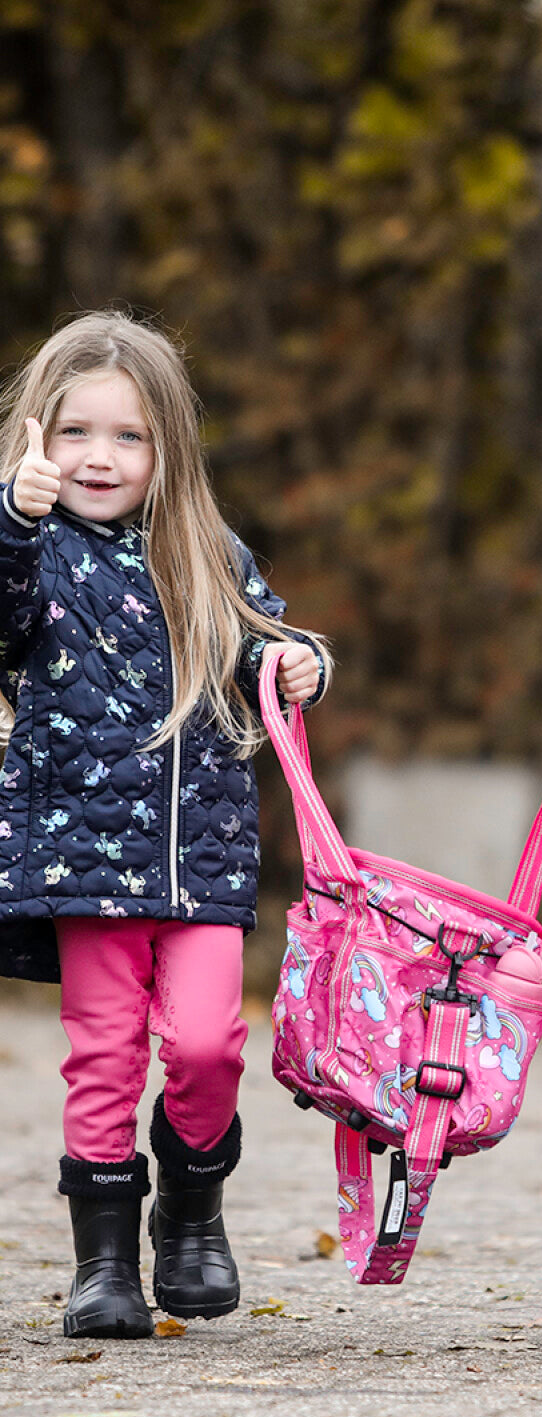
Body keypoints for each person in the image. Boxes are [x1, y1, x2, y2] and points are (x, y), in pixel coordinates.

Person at [0, 310, 331, 1339]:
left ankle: (189, 1213)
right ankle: (103, 1265)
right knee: (103, 1052)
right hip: (84, 858)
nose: (99, 457)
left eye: (128, 436)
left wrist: (300, 660)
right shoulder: (31, 550)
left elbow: (263, 645)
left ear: (167, 448)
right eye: (76, 433)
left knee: (206, 1047)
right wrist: (12, 519)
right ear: (37, 440)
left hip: (201, 855)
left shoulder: (205, 549)